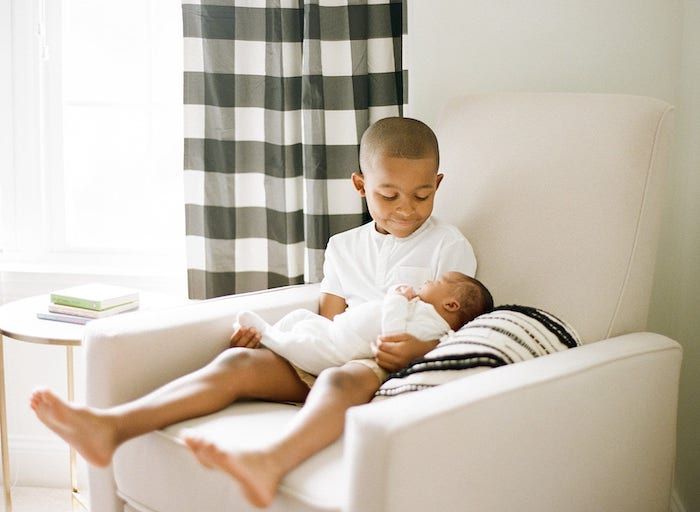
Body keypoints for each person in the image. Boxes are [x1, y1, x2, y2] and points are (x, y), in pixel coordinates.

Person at [29, 116, 478, 508]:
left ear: (437, 184)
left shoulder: (448, 245)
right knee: (237, 361)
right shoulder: (343, 247)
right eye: (389, 195)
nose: (406, 209)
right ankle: (111, 425)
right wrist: (275, 340)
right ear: (361, 185)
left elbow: (461, 328)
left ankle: (271, 460)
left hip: (377, 366)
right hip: (332, 349)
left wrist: (418, 350)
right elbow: (326, 319)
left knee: (343, 377)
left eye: (421, 196)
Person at [235, 271, 492, 384]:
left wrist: (396, 297)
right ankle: (269, 336)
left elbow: (392, 335)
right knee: (300, 317)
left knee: (304, 346)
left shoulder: (431, 325)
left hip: (341, 350)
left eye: (436, 280)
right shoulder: (424, 310)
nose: (427, 281)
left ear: (451, 304)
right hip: (334, 328)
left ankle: (270, 337)